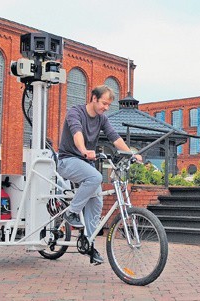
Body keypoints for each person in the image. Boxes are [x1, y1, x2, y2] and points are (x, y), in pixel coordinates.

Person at [57, 85, 142, 263]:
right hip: (67, 161)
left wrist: (130, 154)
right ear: (94, 98)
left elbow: (114, 137)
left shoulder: (102, 119)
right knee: (96, 177)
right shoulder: (76, 112)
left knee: (97, 202)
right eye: (104, 103)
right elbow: (76, 132)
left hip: (84, 164)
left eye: (109, 105)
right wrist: (84, 150)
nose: (106, 108)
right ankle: (71, 212)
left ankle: (89, 244)